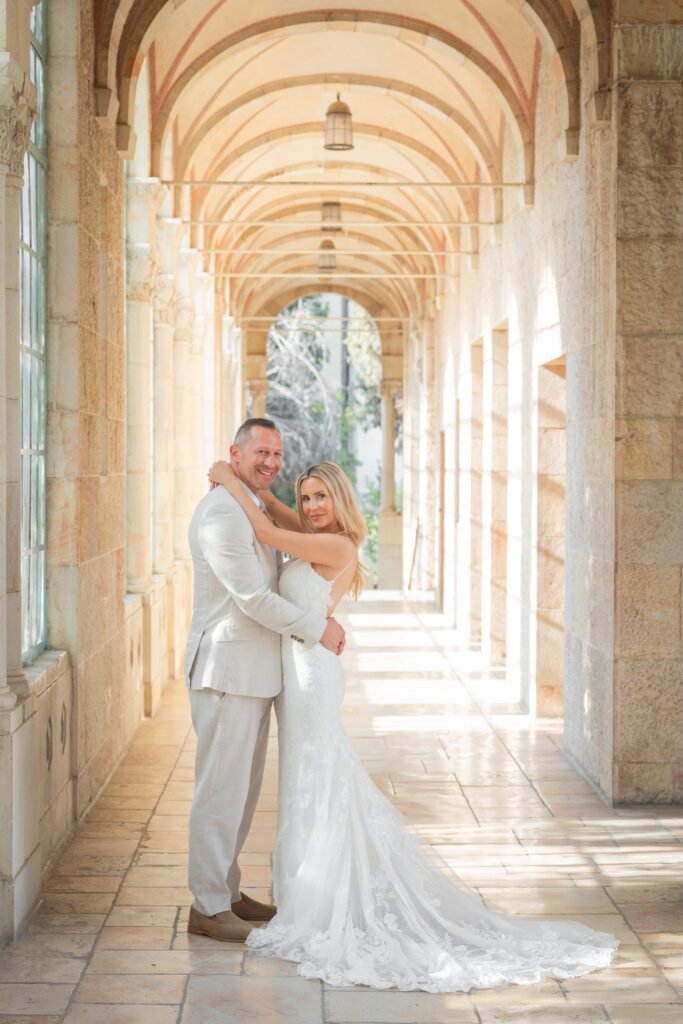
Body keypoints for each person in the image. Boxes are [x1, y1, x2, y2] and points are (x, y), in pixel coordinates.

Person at [207, 456, 619, 993]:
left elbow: (265, 528)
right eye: (306, 498)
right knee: (309, 778)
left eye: (320, 497)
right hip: (301, 666)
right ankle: (312, 888)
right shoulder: (317, 533)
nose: (310, 507)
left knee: (318, 776)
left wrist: (228, 478)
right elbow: (282, 517)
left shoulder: (338, 546)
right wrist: (257, 491)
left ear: (340, 499)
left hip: (311, 677)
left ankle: (323, 897)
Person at [185, 419, 346, 944]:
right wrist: (317, 626)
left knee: (243, 793)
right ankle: (207, 906)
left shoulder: (246, 504)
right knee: (219, 793)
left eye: (277, 454)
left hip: (256, 675)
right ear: (235, 453)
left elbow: (275, 522)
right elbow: (252, 598)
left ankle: (228, 892)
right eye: (260, 453)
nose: (271, 462)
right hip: (227, 673)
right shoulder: (221, 515)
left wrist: (234, 482)